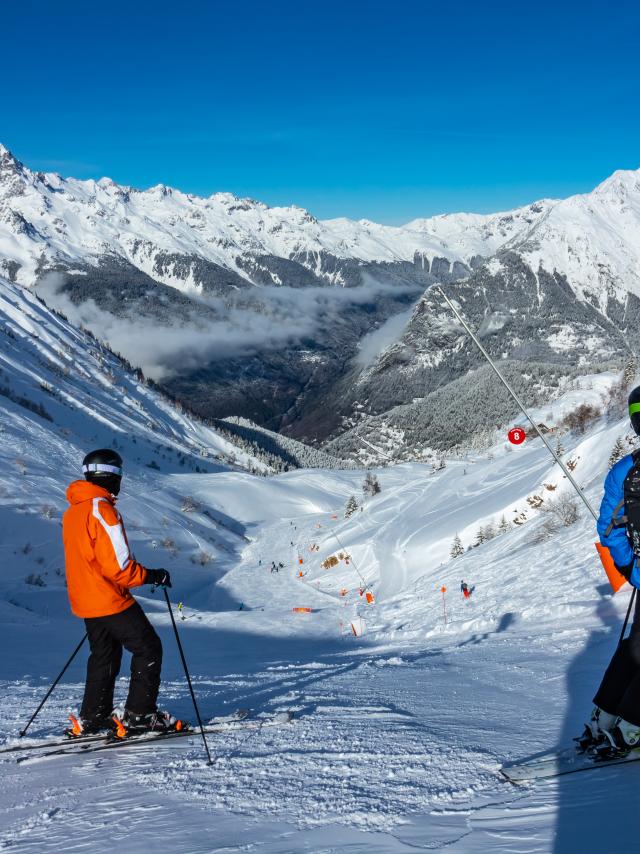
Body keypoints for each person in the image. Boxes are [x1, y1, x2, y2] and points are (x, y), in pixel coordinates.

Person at [62, 449, 174, 737]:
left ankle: (94, 715)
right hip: (109, 597)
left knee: (104, 654)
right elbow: (120, 567)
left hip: (85, 599)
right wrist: (153, 575)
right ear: (111, 476)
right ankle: (140, 715)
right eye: (120, 475)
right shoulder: (103, 511)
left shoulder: (75, 510)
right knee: (148, 647)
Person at [586, 386, 640, 757]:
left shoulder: (626, 470)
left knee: (635, 648)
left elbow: (608, 528)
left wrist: (632, 569)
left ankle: (603, 717)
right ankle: (631, 727)